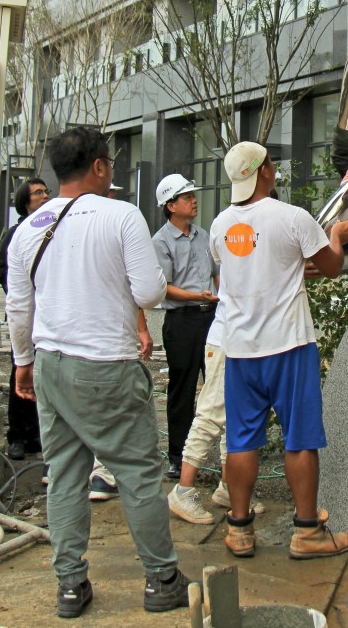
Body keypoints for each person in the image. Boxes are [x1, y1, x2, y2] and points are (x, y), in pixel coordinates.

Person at [6, 127, 196, 617]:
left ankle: (70, 586)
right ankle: (162, 579)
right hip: (108, 364)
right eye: (109, 162)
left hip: (51, 364)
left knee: (65, 475)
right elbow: (150, 292)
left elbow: (19, 308)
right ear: (97, 167)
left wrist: (23, 363)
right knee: (137, 473)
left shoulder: (29, 228)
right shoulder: (121, 215)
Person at [209, 141, 348, 559]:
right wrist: (336, 236)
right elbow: (331, 267)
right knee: (300, 438)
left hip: (240, 350)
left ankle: (239, 530)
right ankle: (306, 531)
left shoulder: (219, 226)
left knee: (241, 441)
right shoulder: (292, 217)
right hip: (289, 345)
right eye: (270, 164)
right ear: (264, 171)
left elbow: (245, 269)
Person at [166, 291, 266, 524]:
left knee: (234, 418)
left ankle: (229, 487)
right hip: (227, 341)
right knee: (211, 414)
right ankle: (183, 490)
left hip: (241, 340)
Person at [88, 181, 154, 503]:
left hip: (64, 347)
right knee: (115, 413)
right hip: (106, 344)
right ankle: (104, 474)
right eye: (110, 190)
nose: (114, 194)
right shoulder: (122, 221)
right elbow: (146, 290)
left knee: (90, 413)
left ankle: (88, 472)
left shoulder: (58, 221)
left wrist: (141, 328)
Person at [152, 174, 219, 481]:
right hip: (182, 322)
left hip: (211, 317)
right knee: (183, 388)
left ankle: (224, 457)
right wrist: (196, 296)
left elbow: (217, 274)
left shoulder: (204, 235)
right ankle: (178, 457)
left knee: (217, 384)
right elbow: (163, 287)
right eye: (187, 197)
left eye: (193, 195)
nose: (194, 201)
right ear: (171, 205)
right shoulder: (161, 242)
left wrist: (222, 300)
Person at [0, 177, 50, 460]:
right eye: (37, 193)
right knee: (21, 369)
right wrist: (21, 290)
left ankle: (38, 434)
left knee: (44, 376)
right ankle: (17, 436)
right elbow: (0, 271)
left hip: (49, 317)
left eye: (46, 191)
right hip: (24, 317)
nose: (44, 196)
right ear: (24, 202)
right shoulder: (16, 234)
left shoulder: (53, 232)